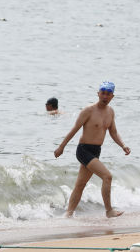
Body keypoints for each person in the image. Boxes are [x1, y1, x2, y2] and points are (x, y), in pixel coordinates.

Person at [54, 82, 130, 218]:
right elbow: (74, 129)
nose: (105, 96)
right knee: (107, 176)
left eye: (108, 94)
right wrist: (61, 147)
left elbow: (113, 132)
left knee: (80, 184)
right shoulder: (88, 110)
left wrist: (123, 145)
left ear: (112, 96)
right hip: (84, 150)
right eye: (103, 93)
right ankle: (109, 211)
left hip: (96, 151)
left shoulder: (110, 112)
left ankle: (68, 214)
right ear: (98, 94)